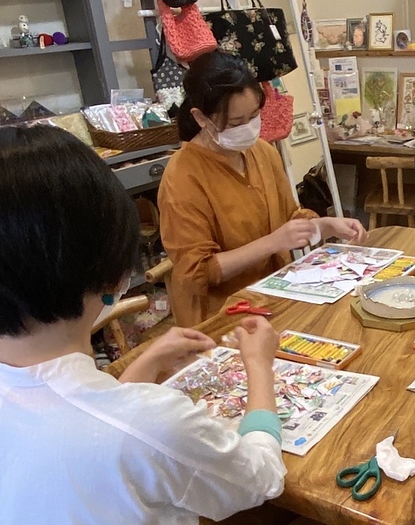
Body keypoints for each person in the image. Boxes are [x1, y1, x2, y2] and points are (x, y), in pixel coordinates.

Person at [0, 125, 287, 523]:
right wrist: (260, 366)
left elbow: (76, 412)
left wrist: (145, 365)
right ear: (113, 277)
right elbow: (260, 479)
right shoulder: (155, 424)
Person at [159, 51, 366, 326]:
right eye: (235, 123)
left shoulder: (261, 152)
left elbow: (288, 219)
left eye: (254, 116)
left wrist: (326, 226)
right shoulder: (183, 176)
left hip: (274, 297)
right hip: (219, 317)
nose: (248, 128)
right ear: (200, 118)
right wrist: (273, 242)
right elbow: (200, 271)